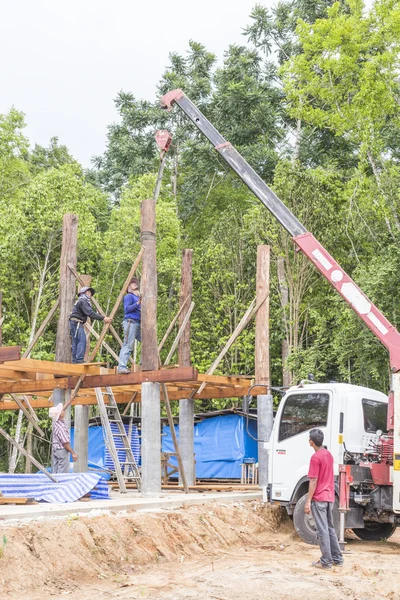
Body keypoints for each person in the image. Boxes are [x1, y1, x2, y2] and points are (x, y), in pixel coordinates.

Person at [305, 428, 343, 570]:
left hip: (319, 498)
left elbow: (313, 480)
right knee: (330, 528)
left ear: (311, 442)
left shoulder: (315, 458)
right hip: (329, 497)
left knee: (322, 530)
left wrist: (308, 500)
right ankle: (337, 559)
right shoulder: (328, 455)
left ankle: (326, 561)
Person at [69, 286, 112, 364]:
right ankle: (79, 360)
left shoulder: (81, 301)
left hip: (74, 322)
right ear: (83, 293)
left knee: (76, 341)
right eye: (87, 292)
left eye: (90, 293)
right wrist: (103, 318)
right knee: (82, 340)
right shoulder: (83, 301)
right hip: (76, 322)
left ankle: (75, 361)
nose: (89, 294)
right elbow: (90, 313)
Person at [117, 277, 141, 374]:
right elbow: (127, 309)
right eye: (132, 283)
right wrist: (138, 303)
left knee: (147, 341)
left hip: (138, 323)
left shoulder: (137, 297)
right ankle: (121, 367)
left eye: (135, 283)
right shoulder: (129, 296)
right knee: (128, 345)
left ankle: (143, 363)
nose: (135, 284)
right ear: (129, 286)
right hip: (131, 322)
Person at [49, 404, 77, 473]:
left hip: (56, 450)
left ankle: (55, 482)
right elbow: (65, 443)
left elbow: (63, 409)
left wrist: (70, 400)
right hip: (61, 450)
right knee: (62, 471)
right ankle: (60, 482)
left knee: (55, 469)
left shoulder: (56, 422)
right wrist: (73, 453)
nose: (63, 411)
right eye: (61, 411)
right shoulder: (61, 428)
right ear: (60, 415)